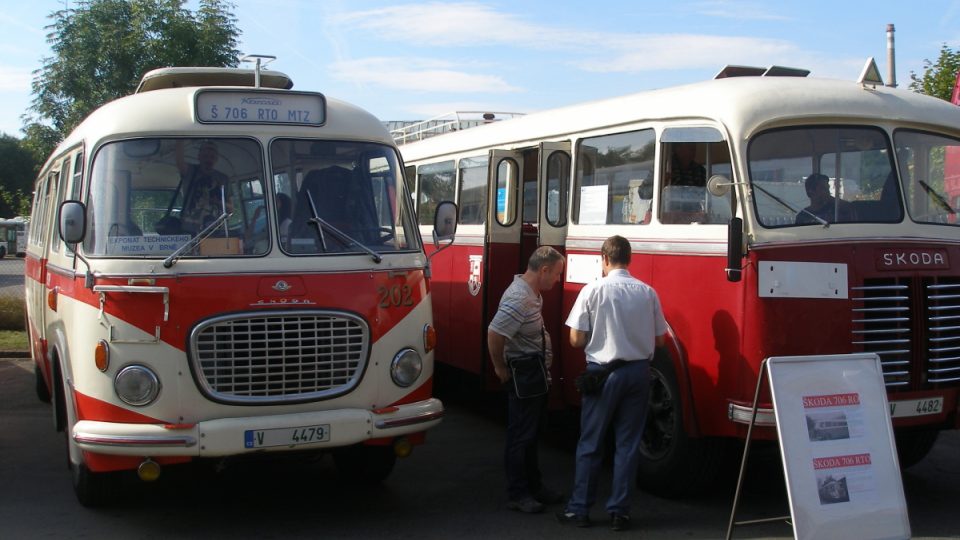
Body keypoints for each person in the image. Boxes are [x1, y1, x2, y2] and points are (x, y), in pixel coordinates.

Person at [558, 235, 667, 531]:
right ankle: (620, 512)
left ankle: (580, 509)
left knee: (591, 443)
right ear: (629, 259)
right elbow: (660, 338)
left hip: (603, 374)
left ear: (604, 259)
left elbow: (576, 339)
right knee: (628, 445)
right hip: (639, 373)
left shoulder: (592, 290)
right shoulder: (648, 292)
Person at [487, 246, 566, 514]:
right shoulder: (519, 298)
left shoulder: (533, 293)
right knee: (521, 436)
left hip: (535, 375)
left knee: (530, 434)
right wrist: (500, 368)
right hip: (524, 375)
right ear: (543, 270)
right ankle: (518, 493)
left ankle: (535, 487)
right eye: (556, 274)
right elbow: (495, 333)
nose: (557, 280)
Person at [176, 140, 230, 234]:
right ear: (199, 157)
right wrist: (179, 137)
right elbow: (179, 160)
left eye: (212, 157)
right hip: (190, 229)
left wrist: (215, 201)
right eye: (205, 156)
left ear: (216, 159)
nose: (208, 160)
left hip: (216, 230)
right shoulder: (190, 171)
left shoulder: (223, 179)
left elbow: (230, 208)